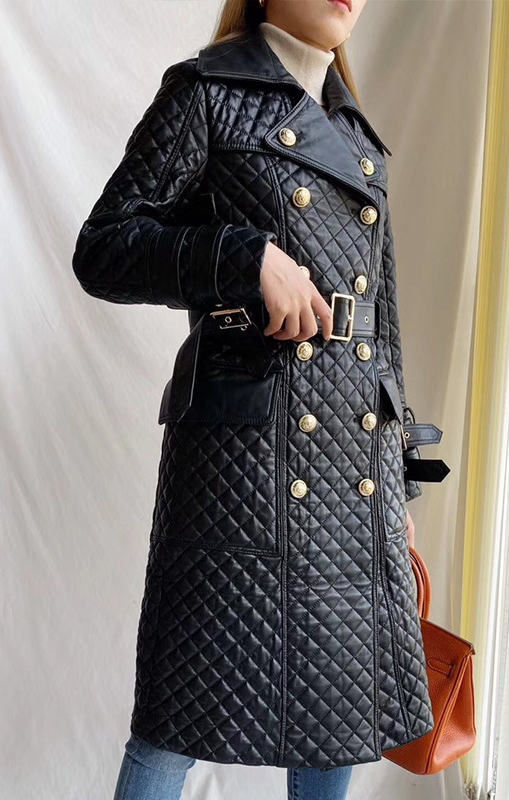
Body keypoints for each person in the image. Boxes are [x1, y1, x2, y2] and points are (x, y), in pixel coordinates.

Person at [73, 0, 445, 798]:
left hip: (352, 465)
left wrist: (399, 476)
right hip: (238, 469)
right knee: (177, 713)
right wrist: (244, 257)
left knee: (337, 714)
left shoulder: (356, 135)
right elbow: (103, 249)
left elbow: (381, 324)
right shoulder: (205, 94)